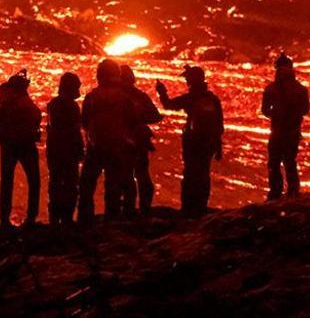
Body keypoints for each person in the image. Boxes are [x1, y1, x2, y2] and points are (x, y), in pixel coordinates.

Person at [156, 65, 224, 217]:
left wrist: (161, 91)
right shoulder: (213, 99)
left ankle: (188, 208)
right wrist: (218, 146)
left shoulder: (191, 98)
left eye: (187, 78)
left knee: (190, 174)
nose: (186, 81)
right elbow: (219, 124)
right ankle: (202, 206)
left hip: (192, 142)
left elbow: (169, 105)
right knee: (204, 174)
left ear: (192, 80)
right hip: (209, 143)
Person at [78, 59, 136, 222]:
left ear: (99, 75)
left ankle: (85, 220)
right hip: (117, 147)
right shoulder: (124, 98)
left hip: (95, 147)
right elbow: (132, 122)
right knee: (113, 187)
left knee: (86, 186)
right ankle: (111, 220)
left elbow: (84, 121)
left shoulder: (91, 97)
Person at [0, 69, 42, 227]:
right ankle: (30, 218)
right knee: (34, 181)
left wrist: (4, 142)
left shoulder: (5, 106)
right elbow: (36, 119)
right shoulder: (25, 103)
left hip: (9, 147)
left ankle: (4, 219)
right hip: (26, 146)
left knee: (7, 182)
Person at [260, 53, 310, 201]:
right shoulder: (300, 89)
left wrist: (275, 115)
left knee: (274, 162)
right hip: (293, 132)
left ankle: (275, 192)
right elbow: (305, 110)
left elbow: (264, 110)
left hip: (277, 132)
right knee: (290, 162)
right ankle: (293, 192)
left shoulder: (271, 89)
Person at [120, 64, 162, 215]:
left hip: (123, 142)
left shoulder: (115, 96)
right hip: (138, 140)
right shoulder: (140, 96)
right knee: (142, 175)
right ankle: (144, 209)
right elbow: (156, 116)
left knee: (126, 176)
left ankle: (128, 210)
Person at [45, 72, 84, 225]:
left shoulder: (53, 104)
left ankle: (54, 218)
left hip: (55, 150)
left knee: (55, 184)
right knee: (70, 184)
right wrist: (80, 148)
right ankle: (66, 218)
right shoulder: (71, 106)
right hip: (67, 151)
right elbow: (74, 130)